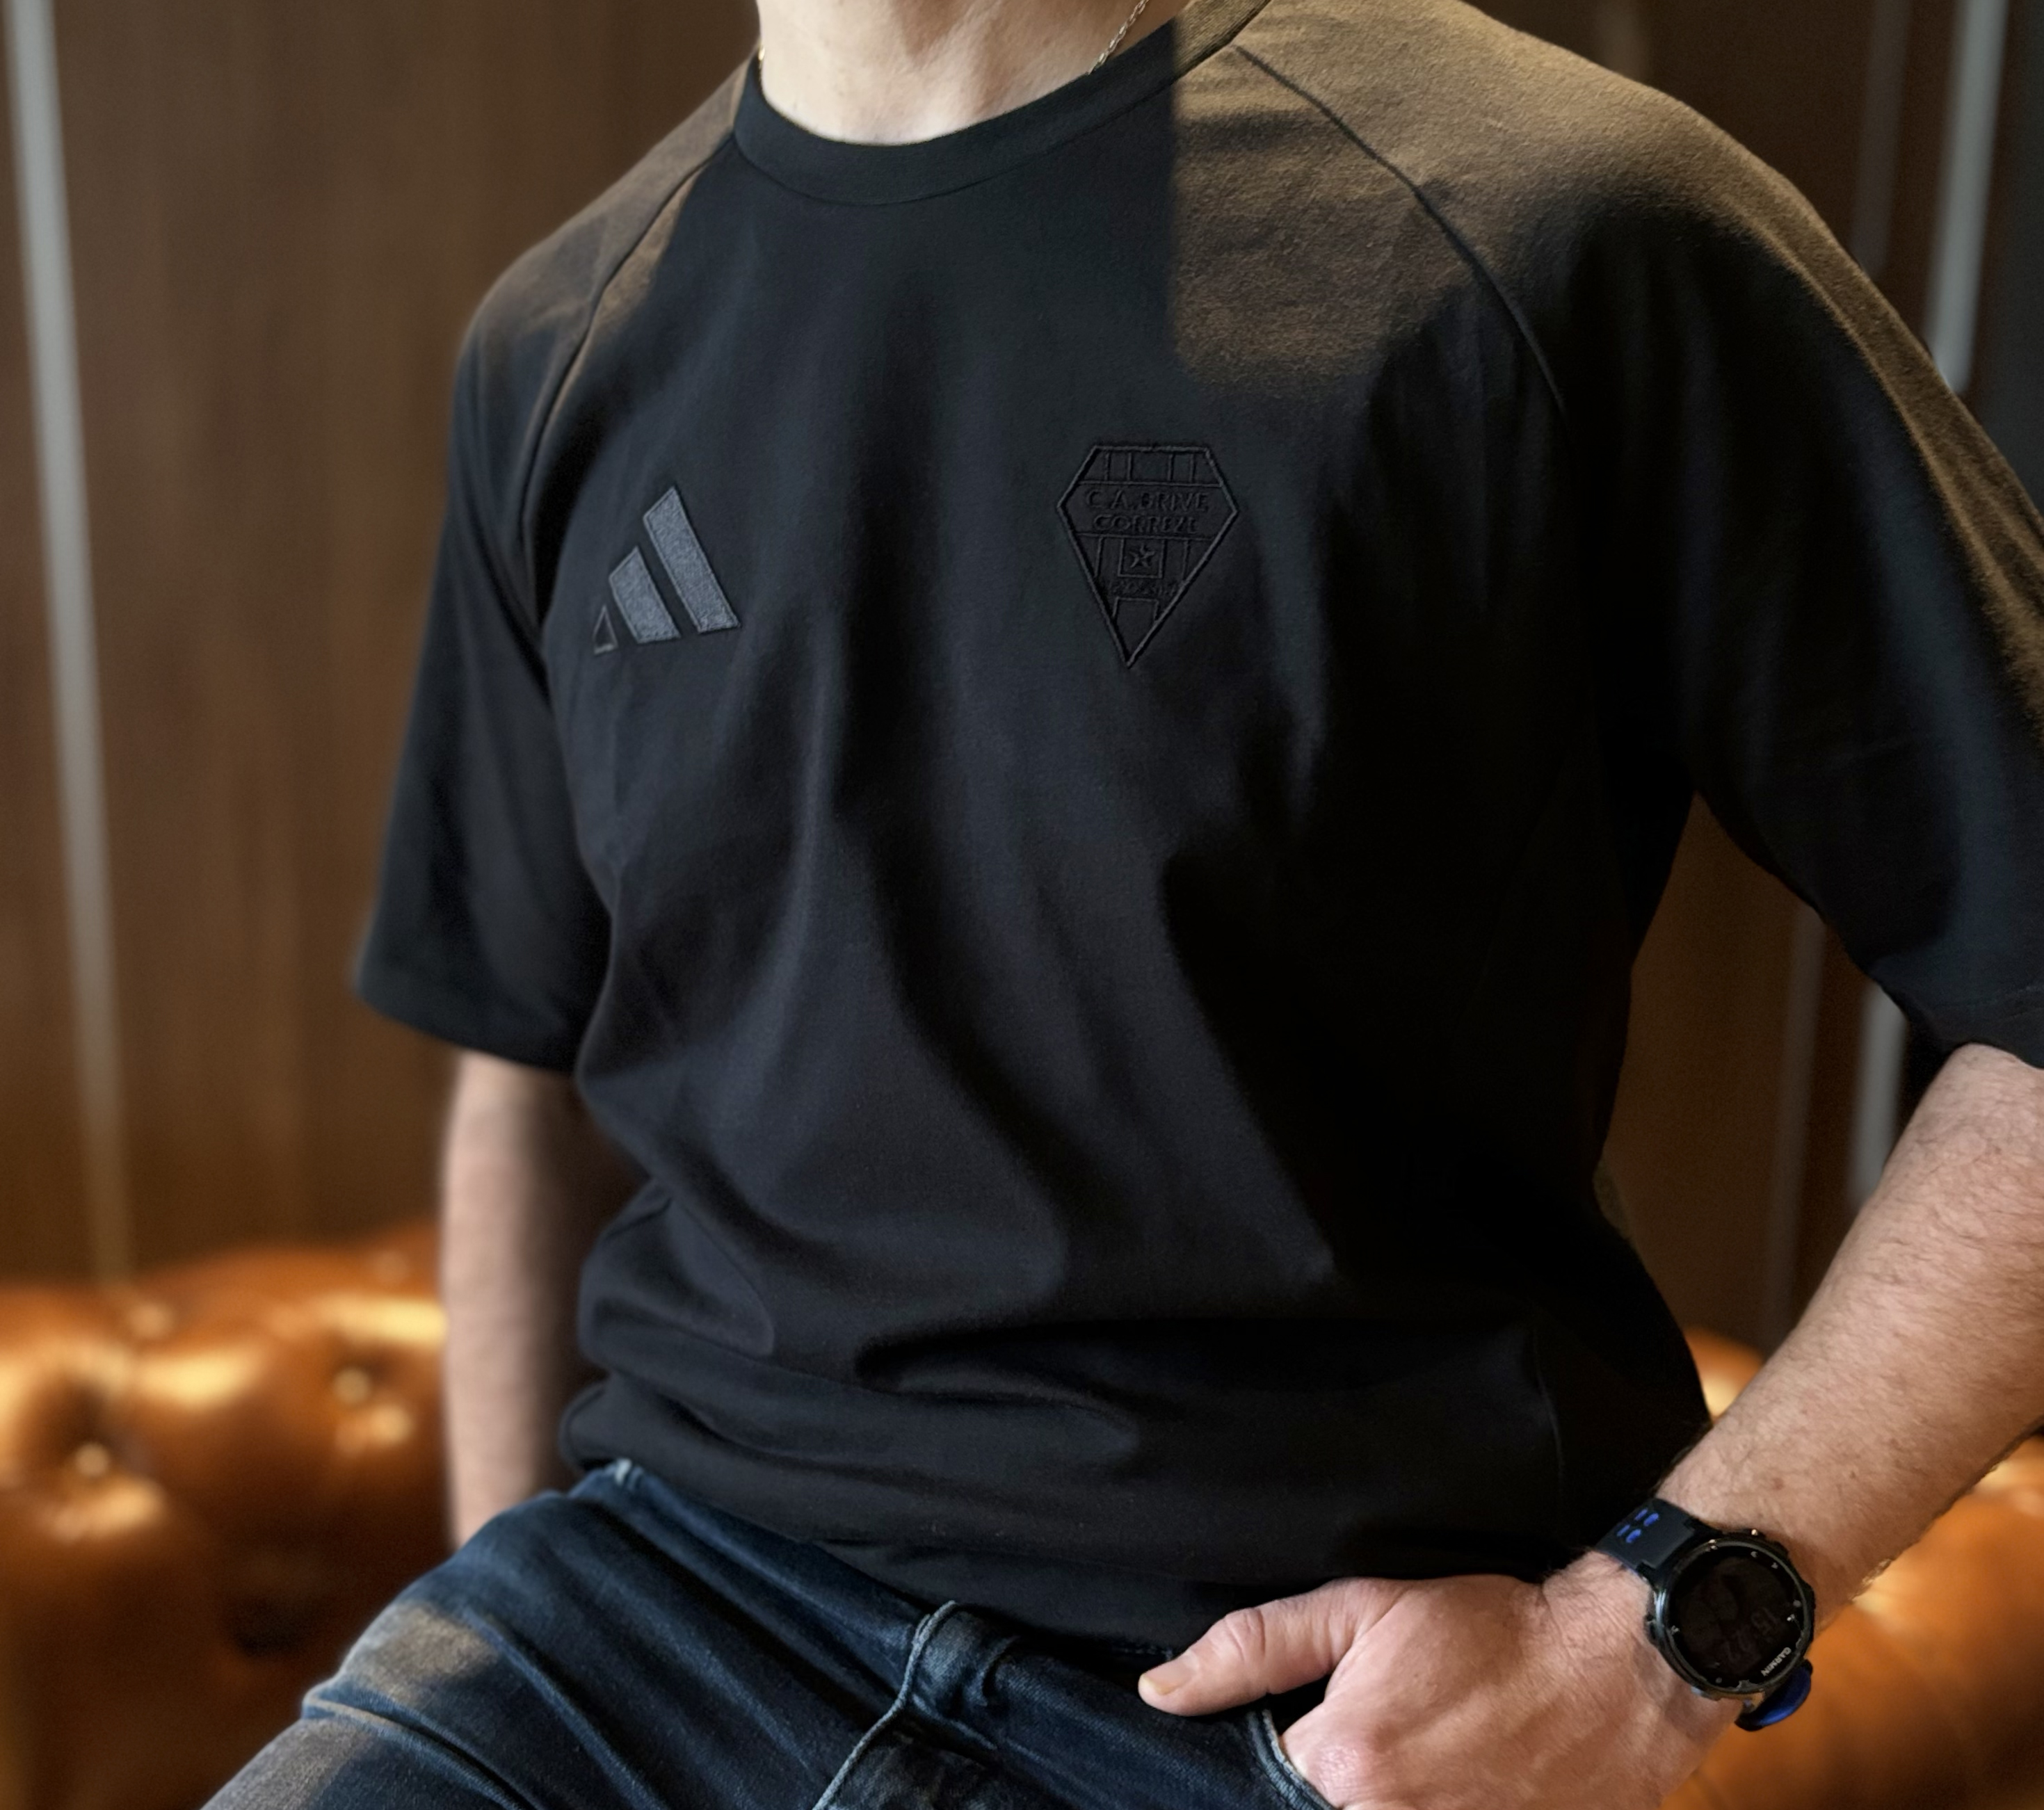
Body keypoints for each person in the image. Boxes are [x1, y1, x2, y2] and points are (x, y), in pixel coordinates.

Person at [211, 0, 2044, 1804]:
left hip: (1292, 1704)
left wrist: (1654, 1641)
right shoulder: (555, 343)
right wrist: (511, 1611)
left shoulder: (1556, 220)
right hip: (645, 1615)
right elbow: (530, 1080)